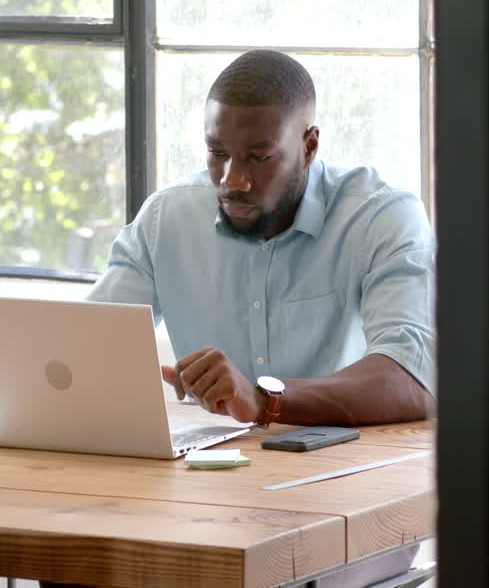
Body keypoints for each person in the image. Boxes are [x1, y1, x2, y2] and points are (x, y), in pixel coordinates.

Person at [87, 49, 434, 427]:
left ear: (309, 146)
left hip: (342, 469)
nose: (232, 181)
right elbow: (82, 348)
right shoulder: (165, 219)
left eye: (258, 157)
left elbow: (414, 378)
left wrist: (263, 399)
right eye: (218, 153)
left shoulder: (380, 217)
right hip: (207, 471)